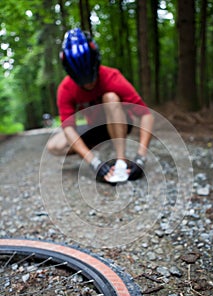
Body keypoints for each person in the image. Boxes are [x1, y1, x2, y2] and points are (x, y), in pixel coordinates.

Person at [47, 28, 154, 183]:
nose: (89, 84)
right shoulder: (65, 89)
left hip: (120, 122)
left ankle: (120, 160)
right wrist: (94, 163)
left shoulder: (112, 77)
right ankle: (101, 153)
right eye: (83, 82)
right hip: (93, 128)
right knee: (54, 145)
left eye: (92, 78)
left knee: (110, 97)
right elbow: (68, 127)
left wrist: (141, 157)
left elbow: (146, 115)